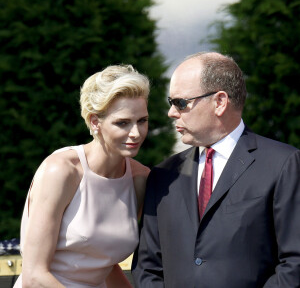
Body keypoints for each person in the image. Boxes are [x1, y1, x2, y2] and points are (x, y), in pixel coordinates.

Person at [132, 52, 300, 288]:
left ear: (219, 102)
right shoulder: (163, 175)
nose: (171, 113)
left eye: (180, 103)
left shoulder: (283, 164)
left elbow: (295, 263)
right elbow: (147, 267)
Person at [13, 64, 151, 288]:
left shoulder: (140, 178)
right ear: (95, 122)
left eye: (142, 121)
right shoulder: (61, 170)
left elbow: (102, 263)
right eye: (122, 123)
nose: (136, 133)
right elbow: (34, 276)